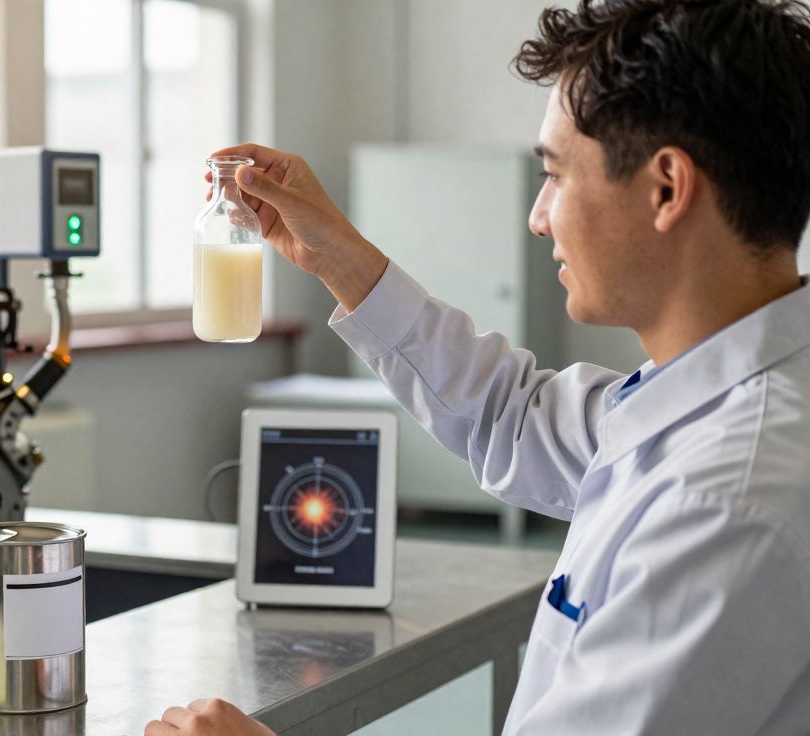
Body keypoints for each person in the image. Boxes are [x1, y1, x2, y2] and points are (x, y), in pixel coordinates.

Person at [146, 0, 810, 734]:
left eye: (555, 174)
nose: (538, 216)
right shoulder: (717, 399)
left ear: (666, 189)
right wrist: (334, 254)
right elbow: (510, 414)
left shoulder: (724, 503)